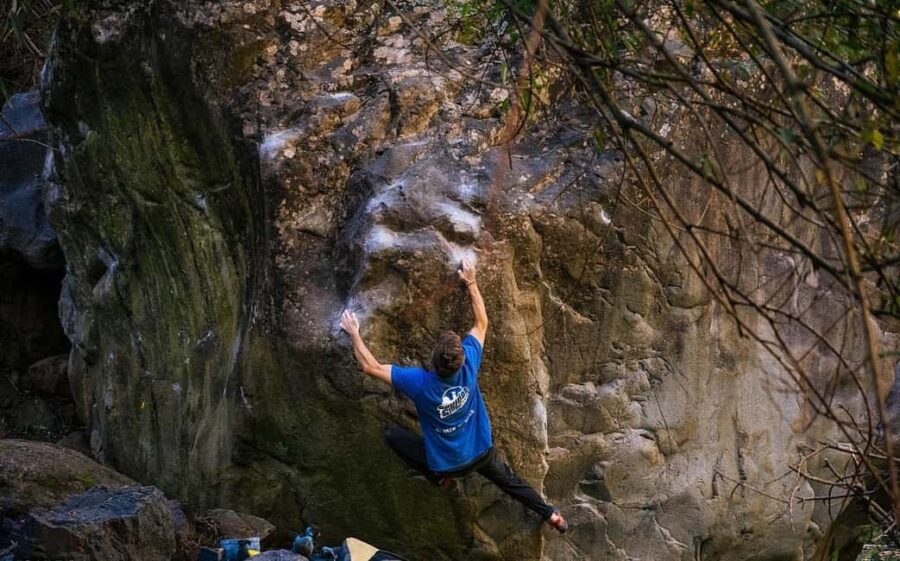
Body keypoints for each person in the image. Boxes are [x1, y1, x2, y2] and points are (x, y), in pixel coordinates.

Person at [339, 257, 568, 533]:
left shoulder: (420, 383)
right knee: (510, 482)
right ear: (459, 360)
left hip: (446, 466)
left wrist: (354, 333)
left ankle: (439, 480)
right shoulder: (470, 364)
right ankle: (551, 515)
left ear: (433, 362)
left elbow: (370, 366)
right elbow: (482, 322)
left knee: (392, 436)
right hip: (480, 452)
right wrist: (470, 281)